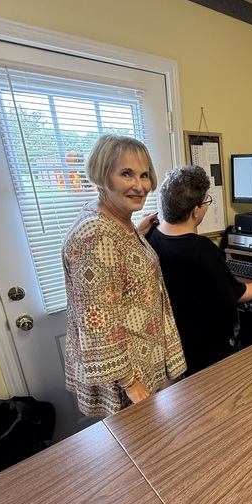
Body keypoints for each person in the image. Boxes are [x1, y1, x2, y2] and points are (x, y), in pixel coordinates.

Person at [62, 134, 186, 416]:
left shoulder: (117, 223)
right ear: (102, 175)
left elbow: (117, 272)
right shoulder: (96, 234)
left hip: (143, 362)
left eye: (144, 175)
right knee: (142, 453)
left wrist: (136, 236)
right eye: (126, 174)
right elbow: (97, 319)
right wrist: (131, 385)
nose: (139, 186)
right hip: (129, 377)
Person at [145, 164, 252, 376]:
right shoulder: (201, 249)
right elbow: (235, 294)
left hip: (175, 348)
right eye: (206, 202)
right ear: (195, 211)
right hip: (208, 352)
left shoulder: (150, 237)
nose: (207, 207)